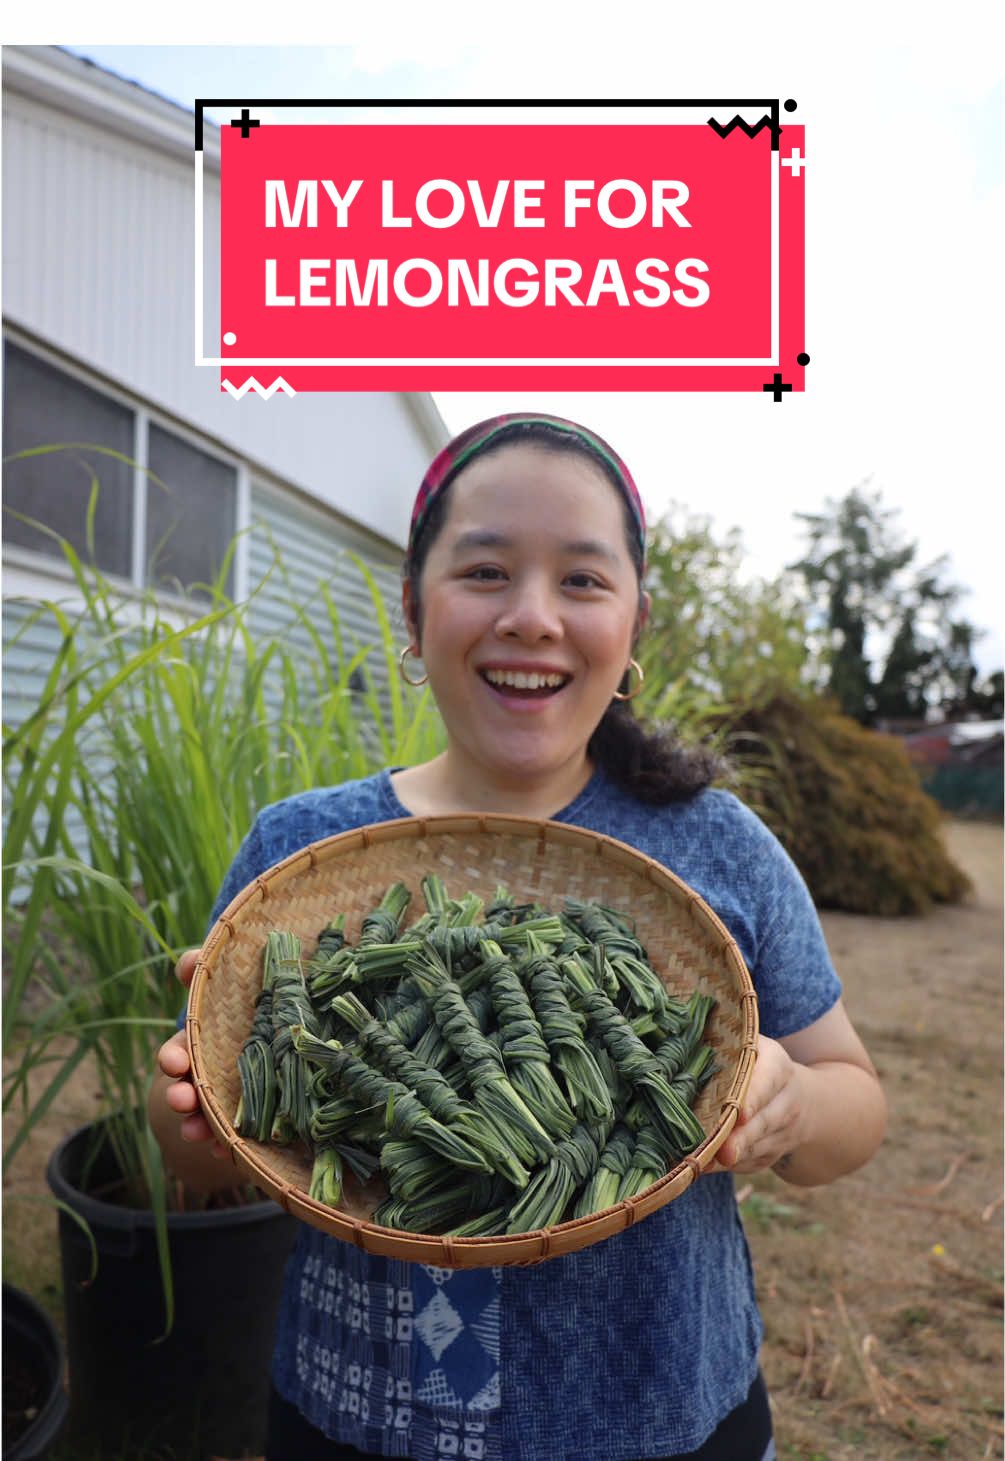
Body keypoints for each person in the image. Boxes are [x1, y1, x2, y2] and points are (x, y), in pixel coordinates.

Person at [151, 413, 887, 1461]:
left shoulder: (720, 849)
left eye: (583, 581)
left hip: (666, 1418)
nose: (533, 616)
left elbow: (853, 1101)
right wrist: (185, 1119)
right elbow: (206, 1147)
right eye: (486, 571)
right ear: (413, 609)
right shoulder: (300, 850)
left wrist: (794, 1103)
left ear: (634, 624)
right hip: (360, 1415)